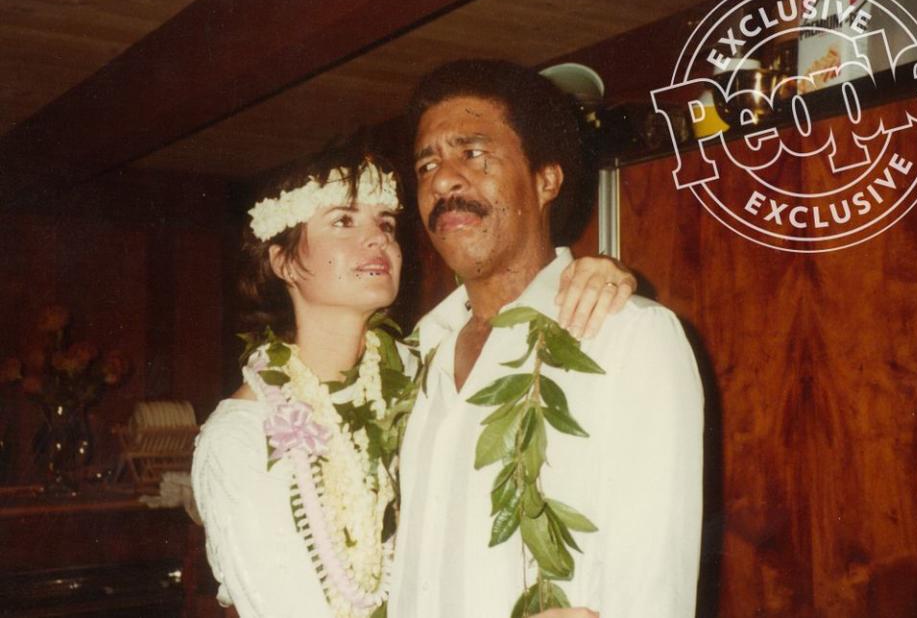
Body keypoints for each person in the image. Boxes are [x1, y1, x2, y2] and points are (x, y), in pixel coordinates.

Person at [191, 142, 638, 618]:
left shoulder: (430, 366)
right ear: (282, 262)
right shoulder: (237, 440)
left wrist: (597, 273)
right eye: (343, 221)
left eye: (385, 224)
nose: (377, 240)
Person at [389, 60, 704, 618]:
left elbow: (655, 582)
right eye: (426, 164)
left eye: (474, 153)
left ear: (546, 180)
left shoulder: (628, 337)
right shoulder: (416, 353)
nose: (442, 179)